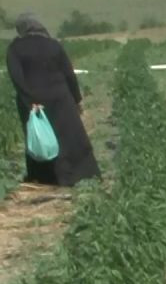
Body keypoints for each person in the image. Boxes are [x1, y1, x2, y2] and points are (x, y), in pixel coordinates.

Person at [5, 13, 100, 187]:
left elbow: (16, 77)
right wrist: (76, 99)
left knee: (40, 137)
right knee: (68, 135)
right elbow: (69, 74)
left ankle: (46, 178)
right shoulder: (53, 45)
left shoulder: (15, 48)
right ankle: (78, 175)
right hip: (60, 97)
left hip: (34, 100)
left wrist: (30, 100)